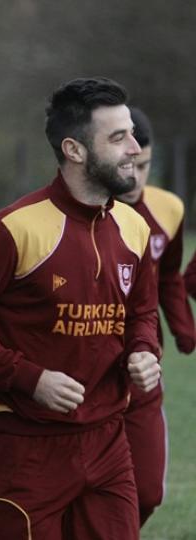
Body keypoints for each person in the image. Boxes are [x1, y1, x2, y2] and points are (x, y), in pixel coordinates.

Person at [0, 77, 162, 539]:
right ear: (74, 150)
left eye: (132, 135)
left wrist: (142, 349)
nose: (134, 149)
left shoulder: (133, 227)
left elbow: (142, 311)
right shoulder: (12, 229)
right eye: (118, 137)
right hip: (23, 449)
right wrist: (28, 378)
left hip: (108, 441)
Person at [115, 106, 195, 525]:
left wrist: (182, 327)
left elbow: (169, 276)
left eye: (144, 165)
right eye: (127, 164)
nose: (135, 177)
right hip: (83, 368)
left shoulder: (169, 209)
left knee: (147, 492)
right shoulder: (86, 213)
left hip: (144, 364)